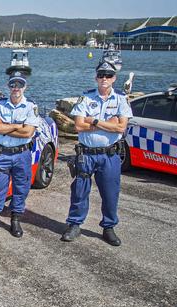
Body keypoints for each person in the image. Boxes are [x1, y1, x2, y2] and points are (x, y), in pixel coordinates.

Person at [61, 61, 132, 246]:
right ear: (96, 77)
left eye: (108, 75)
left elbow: (121, 128)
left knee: (110, 193)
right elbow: (78, 125)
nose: (104, 79)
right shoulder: (85, 98)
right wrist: (109, 124)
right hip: (86, 154)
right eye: (101, 75)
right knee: (79, 191)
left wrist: (94, 121)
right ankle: (75, 224)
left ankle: (109, 227)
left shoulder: (121, 100)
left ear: (114, 78)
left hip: (109, 155)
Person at [0, 72, 40, 238]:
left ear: (25, 87)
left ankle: (15, 219)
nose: (16, 88)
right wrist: (18, 126)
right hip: (2, 154)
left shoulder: (30, 106)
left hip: (22, 154)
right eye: (13, 85)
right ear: (8, 86)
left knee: (21, 188)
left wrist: (6, 126)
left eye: (19, 85)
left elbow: (28, 132)